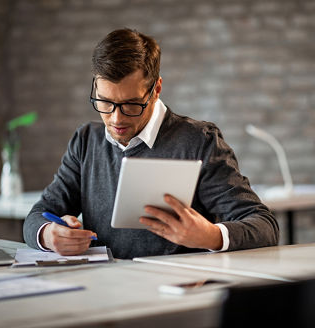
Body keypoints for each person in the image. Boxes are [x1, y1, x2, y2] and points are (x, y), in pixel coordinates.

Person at [23, 28, 279, 259]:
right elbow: (37, 217)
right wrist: (48, 235)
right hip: (102, 290)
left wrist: (210, 235)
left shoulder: (199, 142)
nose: (116, 118)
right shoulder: (86, 142)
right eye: (105, 102)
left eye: (131, 104)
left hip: (176, 293)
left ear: (156, 89)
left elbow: (265, 225)